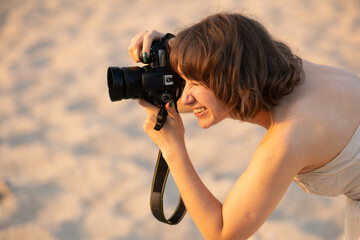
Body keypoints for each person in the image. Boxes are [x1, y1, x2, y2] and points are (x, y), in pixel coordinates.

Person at [128, 12, 360, 240]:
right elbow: (228, 56)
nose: (186, 97)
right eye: (183, 79)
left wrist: (173, 149)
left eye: (196, 82)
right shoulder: (273, 65)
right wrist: (177, 52)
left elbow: (221, 233)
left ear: (233, 81)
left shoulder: (288, 135)